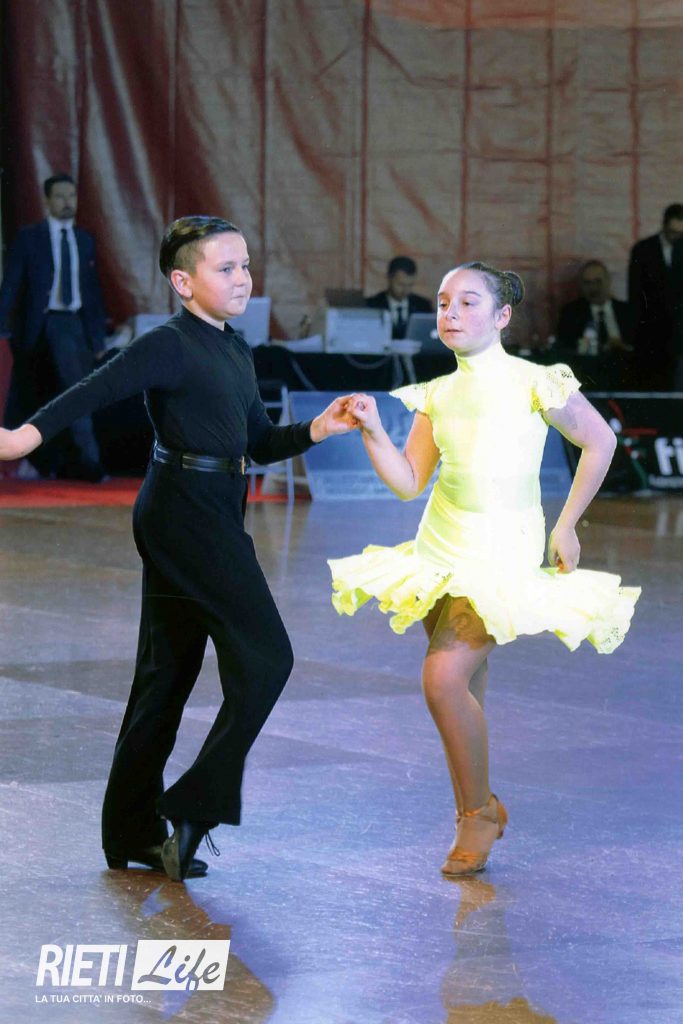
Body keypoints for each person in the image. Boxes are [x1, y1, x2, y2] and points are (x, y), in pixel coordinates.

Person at [0, 215, 357, 882]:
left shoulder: (235, 347)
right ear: (183, 282)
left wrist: (317, 428)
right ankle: (192, 809)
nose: (242, 278)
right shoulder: (169, 344)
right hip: (184, 514)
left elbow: (257, 444)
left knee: (165, 676)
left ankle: (130, 831)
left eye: (245, 265)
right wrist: (23, 438)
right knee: (268, 657)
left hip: (207, 507)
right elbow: (93, 389)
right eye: (225, 268)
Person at [329, 261, 640, 877]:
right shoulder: (435, 394)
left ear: (502, 316)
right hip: (439, 549)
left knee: (442, 679)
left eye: (468, 303)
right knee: (463, 686)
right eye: (444, 302)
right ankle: (479, 807)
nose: (451, 313)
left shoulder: (535, 381)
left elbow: (600, 441)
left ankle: (475, 814)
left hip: (502, 551)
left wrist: (566, 524)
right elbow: (409, 482)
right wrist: (372, 431)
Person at [0, 173, 107, 480]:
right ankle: (46, 463)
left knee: (75, 391)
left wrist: (98, 339)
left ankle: (88, 463)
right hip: (38, 326)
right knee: (38, 395)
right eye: (60, 196)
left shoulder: (84, 240)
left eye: (71, 196)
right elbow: (12, 285)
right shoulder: (30, 237)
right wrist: (2, 326)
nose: (67, 202)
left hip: (72, 325)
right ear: (47, 201)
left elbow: (92, 293)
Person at [628, 203, 683, 389]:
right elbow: (635, 295)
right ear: (664, 225)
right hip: (650, 334)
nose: (676, 237)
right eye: (673, 232)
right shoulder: (643, 250)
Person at [557, 260, 635, 354]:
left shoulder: (628, 311)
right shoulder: (571, 313)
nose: (593, 287)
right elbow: (565, 347)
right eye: (587, 283)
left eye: (598, 281)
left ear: (608, 281)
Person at [366, 256, 433, 339]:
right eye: (400, 284)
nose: (405, 290)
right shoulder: (371, 305)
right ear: (389, 278)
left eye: (410, 285)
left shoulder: (424, 306)